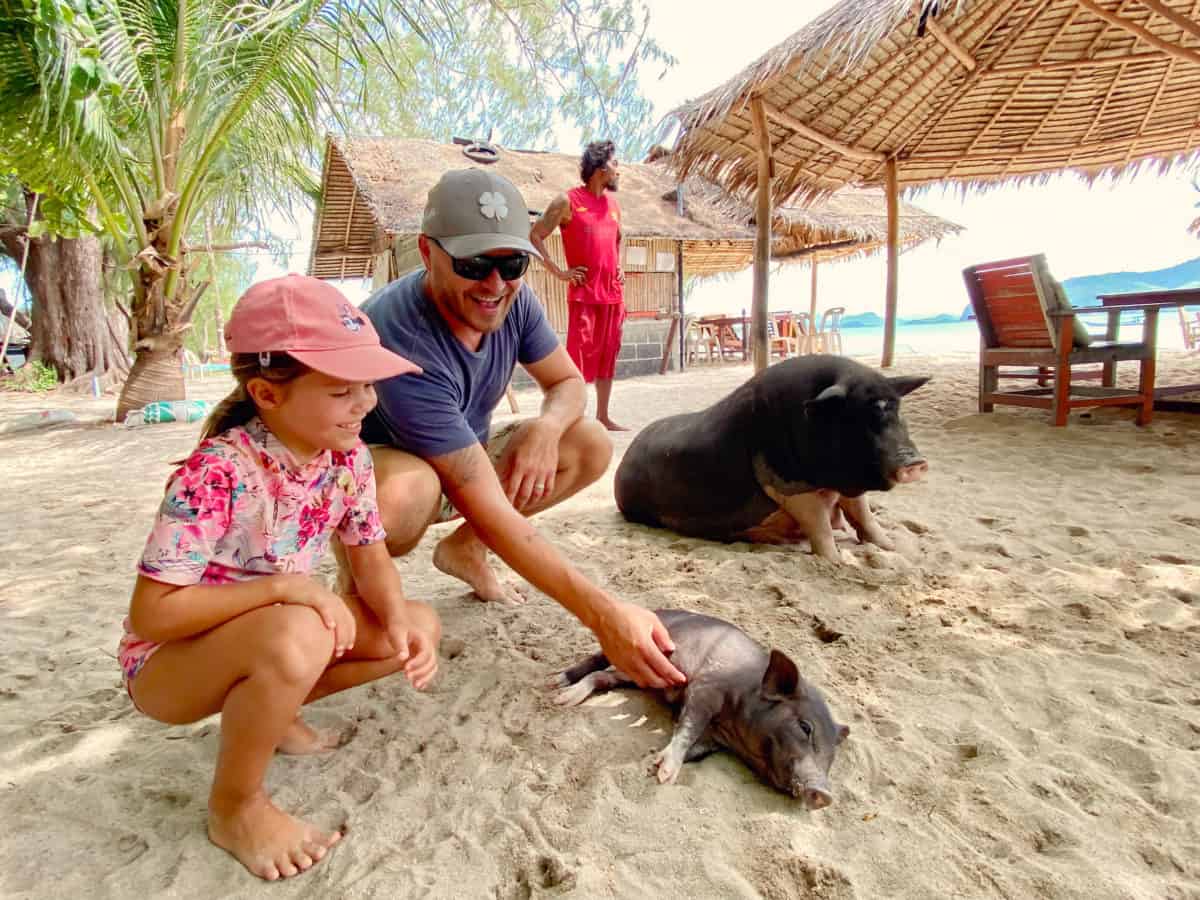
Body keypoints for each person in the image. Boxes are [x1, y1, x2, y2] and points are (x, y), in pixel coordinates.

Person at [118, 275, 442, 882]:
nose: (366, 404)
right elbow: (152, 615)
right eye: (343, 389)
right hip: (169, 667)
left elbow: (370, 556)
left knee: (418, 624)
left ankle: (273, 713)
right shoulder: (218, 473)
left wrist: (397, 625)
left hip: (271, 637)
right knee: (299, 629)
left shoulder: (347, 460)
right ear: (267, 393)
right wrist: (282, 588)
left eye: (367, 385)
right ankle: (235, 807)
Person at [359, 168, 685, 691]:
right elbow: (479, 495)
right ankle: (355, 570)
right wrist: (604, 616)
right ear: (427, 253)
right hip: (388, 468)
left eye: (512, 263)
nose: (495, 285)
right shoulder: (400, 337)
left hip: (461, 454)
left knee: (588, 441)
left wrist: (548, 427)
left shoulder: (513, 300)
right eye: (472, 264)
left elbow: (569, 384)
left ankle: (466, 549)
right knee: (407, 494)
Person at [530, 140, 628, 431]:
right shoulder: (567, 201)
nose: (619, 169)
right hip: (584, 293)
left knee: (608, 354)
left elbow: (618, 237)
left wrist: (618, 266)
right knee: (579, 358)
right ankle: (574, 418)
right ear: (600, 168)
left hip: (613, 294)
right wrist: (560, 272)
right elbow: (534, 236)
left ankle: (603, 416)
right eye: (615, 163)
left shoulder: (614, 205)